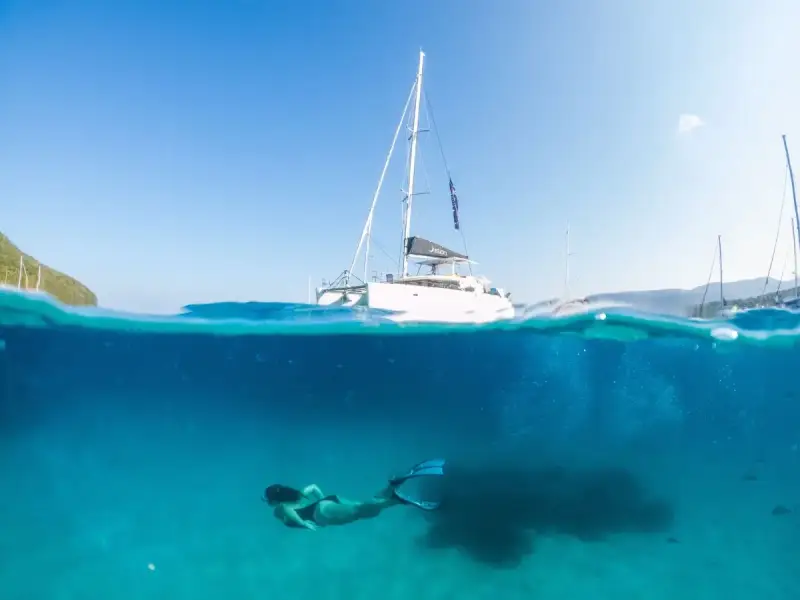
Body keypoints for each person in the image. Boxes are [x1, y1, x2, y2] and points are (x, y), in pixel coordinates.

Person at [263, 458, 445, 530]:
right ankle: (394, 494)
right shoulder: (298, 495)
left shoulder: (280, 508)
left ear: (274, 500)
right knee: (366, 508)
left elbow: (288, 512)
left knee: (363, 511)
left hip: (321, 512)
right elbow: (312, 486)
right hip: (327, 501)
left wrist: (304, 524)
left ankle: (395, 496)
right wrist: (322, 498)